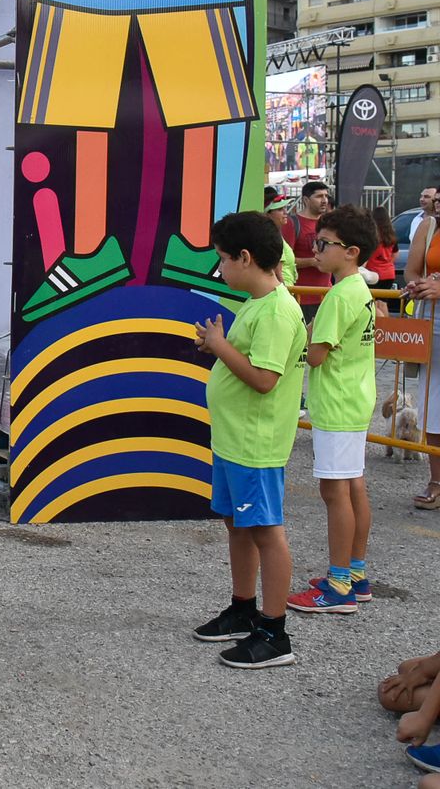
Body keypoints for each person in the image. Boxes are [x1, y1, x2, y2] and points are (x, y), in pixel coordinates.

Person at [191, 211, 305, 669]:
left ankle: (275, 632)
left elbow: (263, 380)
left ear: (245, 256)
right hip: (234, 439)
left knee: (264, 530)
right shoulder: (256, 304)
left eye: (223, 259)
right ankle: (243, 607)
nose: (220, 269)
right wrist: (219, 346)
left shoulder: (277, 310)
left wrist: (219, 346)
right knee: (237, 525)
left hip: (257, 443)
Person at [285, 207, 376, 615]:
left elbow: (316, 354)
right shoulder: (359, 289)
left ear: (351, 251)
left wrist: (293, 342)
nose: (315, 250)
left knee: (334, 491)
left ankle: (338, 584)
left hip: (337, 403)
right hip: (355, 399)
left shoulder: (340, 295)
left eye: (324, 244)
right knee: (353, 485)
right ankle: (354, 573)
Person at [405, 208, 440, 510]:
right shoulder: (429, 226)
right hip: (433, 324)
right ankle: (436, 482)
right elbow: (412, 271)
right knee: (434, 405)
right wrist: (419, 284)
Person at [282, 180, 332, 314]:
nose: (324, 200)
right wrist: (311, 262)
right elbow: (285, 260)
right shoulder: (292, 223)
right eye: (319, 196)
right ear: (306, 200)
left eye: (326, 196)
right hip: (301, 297)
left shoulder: (330, 223)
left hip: (327, 295)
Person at [262, 187, 297, 287]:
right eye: (280, 209)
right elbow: (277, 272)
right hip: (282, 290)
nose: (286, 212)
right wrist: (285, 294)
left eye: (285, 208)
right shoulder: (271, 237)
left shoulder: (273, 234)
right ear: (267, 214)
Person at [368, 206, 398, 315]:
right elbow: (395, 254)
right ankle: (387, 328)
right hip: (389, 274)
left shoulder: (372, 236)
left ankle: (379, 327)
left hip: (373, 274)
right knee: (383, 303)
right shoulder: (391, 234)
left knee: (373, 303)